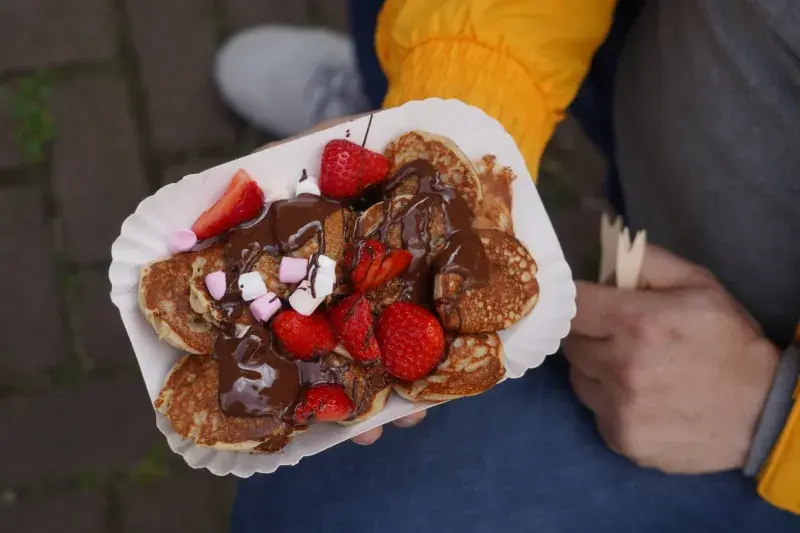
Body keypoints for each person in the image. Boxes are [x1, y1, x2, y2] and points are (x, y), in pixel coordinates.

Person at [214, 1, 800, 531]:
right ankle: (381, 134)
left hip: (750, 421)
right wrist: (456, 100)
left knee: (320, 513)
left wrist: (773, 418)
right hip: (670, 60)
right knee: (406, 25)